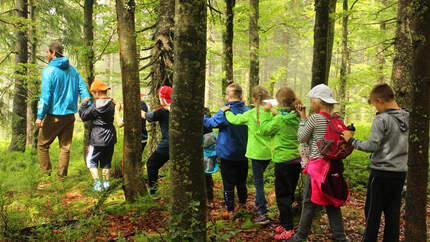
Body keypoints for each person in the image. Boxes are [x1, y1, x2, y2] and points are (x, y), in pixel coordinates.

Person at [342, 83, 408, 242]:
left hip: (380, 173)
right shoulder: (409, 116)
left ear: (379, 100)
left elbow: (372, 146)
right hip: (400, 173)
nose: (375, 109)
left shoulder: (382, 119)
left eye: (374, 105)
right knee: (393, 214)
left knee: (372, 213)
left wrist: (351, 140)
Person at [286, 84, 348, 242]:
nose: (310, 103)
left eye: (312, 100)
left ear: (318, 102)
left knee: (308, 202)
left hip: (317, 166)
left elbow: (301, 137)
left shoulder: (315, 118)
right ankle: (341, 238)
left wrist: (302, 118)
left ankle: (300, 237)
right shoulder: (337, 119)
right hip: (332, 165)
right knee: (331, 201)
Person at [36, 42, 91, 179]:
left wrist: (39, 116)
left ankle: (46, 178)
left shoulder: (48, 71)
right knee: (65, 148)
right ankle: (61, 180)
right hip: (69, 116)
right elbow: (85, 92)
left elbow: (46, 96)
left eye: (47, 52)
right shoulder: (73, 70)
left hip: (53, 116)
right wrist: (86, 106)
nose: (46, 54)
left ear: (53, 52)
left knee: (42, 145)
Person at [222, 85, 272, 225]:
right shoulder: (271, 112)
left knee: (259, 184)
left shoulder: (251, 113)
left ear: (253, 99)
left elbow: (235, 120)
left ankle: (263, 213)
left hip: (256, 154)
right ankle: (257, 204)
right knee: (259, 181)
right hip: (269, 153)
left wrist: (226, 112)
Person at [258, 87, 302, 239]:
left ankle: (288, 229)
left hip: (283, 162)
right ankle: (285, 223)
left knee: (282, 196)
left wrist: (266, 112)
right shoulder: (297, 116)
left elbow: (263, 130)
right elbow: (283, 116)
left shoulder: (279, 119)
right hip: (296, 161)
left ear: (280, 102)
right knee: (289, 195)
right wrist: (276, 112)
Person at [204, 83, 249, 218]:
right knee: (241, 181)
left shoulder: (224, 112)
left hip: (227, 155)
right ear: (241, 96)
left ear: (227, 97)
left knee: (228, 182)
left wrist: (205, 115)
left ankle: (230, 209)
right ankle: (243, 204)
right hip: (243, 153)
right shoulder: (248, 111)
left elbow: (210, 123)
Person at [79, 80, 121, 191]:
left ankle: (97, 185)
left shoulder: (95, 106)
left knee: (91, 160)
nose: (93, 95)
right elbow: (118, 108)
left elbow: (83, 116)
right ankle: (106, 185)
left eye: (93, 93)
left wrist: (83, 104)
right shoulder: (113, 103)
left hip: (97, 137)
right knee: (106, 161)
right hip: (110, 136)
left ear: (97, 92)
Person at [142, 86, 171, 196]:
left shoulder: (162, 111)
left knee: (151, 164)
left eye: (160, 97)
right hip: (183, 144)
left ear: (162, 98)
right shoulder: (180, 108)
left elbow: (145, 115)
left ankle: (153, 192)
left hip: (167, 145)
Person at [203, 108, 217, 204]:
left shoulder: (204, 113)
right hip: (209, 148)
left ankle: (210, 198)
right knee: (207, 174)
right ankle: (210, 198)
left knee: (207, 174)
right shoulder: (212, 133)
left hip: (207, 147)